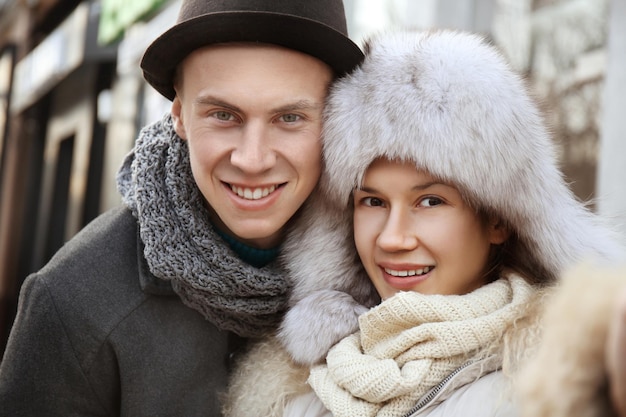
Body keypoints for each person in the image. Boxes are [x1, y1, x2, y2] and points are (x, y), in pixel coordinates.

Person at [222, 29, 625, 416]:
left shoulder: (565, 385)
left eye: (430, 201)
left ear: (499, 218)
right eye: (373, 201)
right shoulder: (293, 390)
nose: (393, 238)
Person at [0, 1, 363, 415]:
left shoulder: (386, 268)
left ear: (334, 122)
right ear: (180, 116)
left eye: (290, 118)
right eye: (224, 115)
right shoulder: (73, 303)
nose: (252, 158)